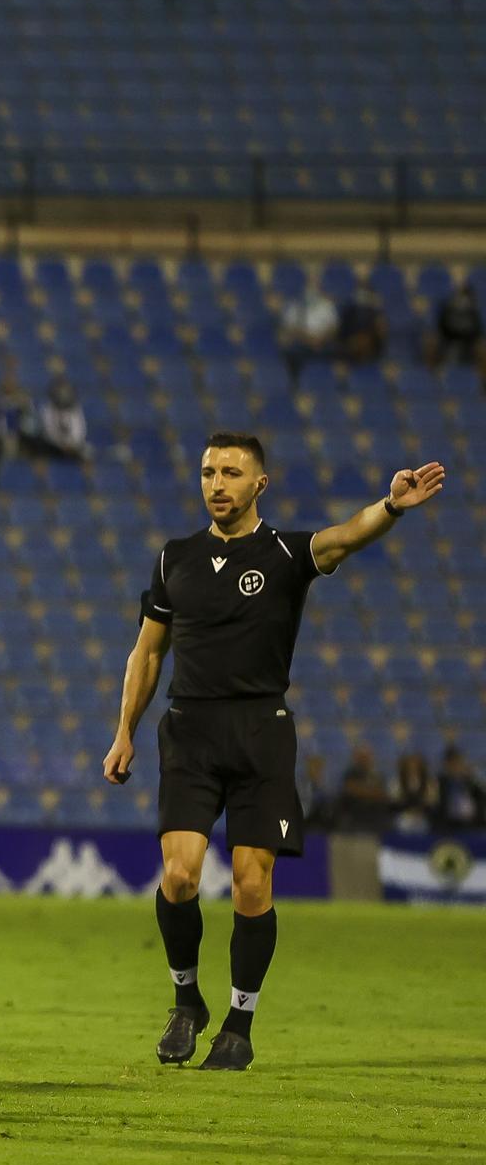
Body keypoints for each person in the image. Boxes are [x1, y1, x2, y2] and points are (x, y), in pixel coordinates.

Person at [103, 432, 445, 1071]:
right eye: (208, 472)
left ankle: (239, 1021)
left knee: (253, 882)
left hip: (261, 731)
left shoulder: (287, 552)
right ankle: (186, 1001)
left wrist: (391, 507)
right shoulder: (173, 558)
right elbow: (148, 651)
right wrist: (124, 730)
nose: (217, 484)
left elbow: (344, 535)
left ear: (260, 483)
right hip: (189, 730)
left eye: (231, 473)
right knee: (178, 874)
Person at [278, 282, 338, 383]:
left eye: (314, 290)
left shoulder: (327, 306)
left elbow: (334, 328)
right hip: (300, 343)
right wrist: (307, 338)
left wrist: (321, 339)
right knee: (289, 353)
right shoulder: (294, 306)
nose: (311, 294)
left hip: (323, 343)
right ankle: (296, 386)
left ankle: (332, 384)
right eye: (308, 291)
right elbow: (289, 329)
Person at [28, 376, 90, 462]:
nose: (63, 394)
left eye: (65, 391)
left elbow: (80, 429)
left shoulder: (75, 408)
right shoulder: (47, 408)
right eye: (60, 391)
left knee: (85, 454)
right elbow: (49, 429)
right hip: (53, 446)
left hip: (73, 446)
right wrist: (61, 444)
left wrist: (72, 443)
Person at [335, 747, 393, 832]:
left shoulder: (378, 774)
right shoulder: (351, 772)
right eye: (362, 757)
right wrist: (370, 792)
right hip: (355, 809)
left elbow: (382, 793)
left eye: (367, 756)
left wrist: (364, 791)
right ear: (356, 758)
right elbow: (352, 789)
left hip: (374, 811)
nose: (365, 759)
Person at [426, 282, 482, 368]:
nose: (464, 301)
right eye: (461, 297)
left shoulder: (473, 313)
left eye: (467, 299)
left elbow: (476, 332)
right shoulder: (447, 310)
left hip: (468, 346)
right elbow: (443, 329)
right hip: (448, 344)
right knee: (449, 350)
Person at [337, 277, 387, 364]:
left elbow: (380, 333)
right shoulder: (349, 311)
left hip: (371, 342)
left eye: (366, 293)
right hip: (350, 342)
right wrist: (353, 340)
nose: (363, 297)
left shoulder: (376, 312)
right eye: (360, 292)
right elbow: (342, 332)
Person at [434, 744, 484, 831]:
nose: (457, 766)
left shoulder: (471, 782)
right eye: (453, 763)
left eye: (460, 762)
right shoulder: (440, 782)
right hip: (447, 827)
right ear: (446, 765)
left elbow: (481, 799)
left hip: (472, 825)